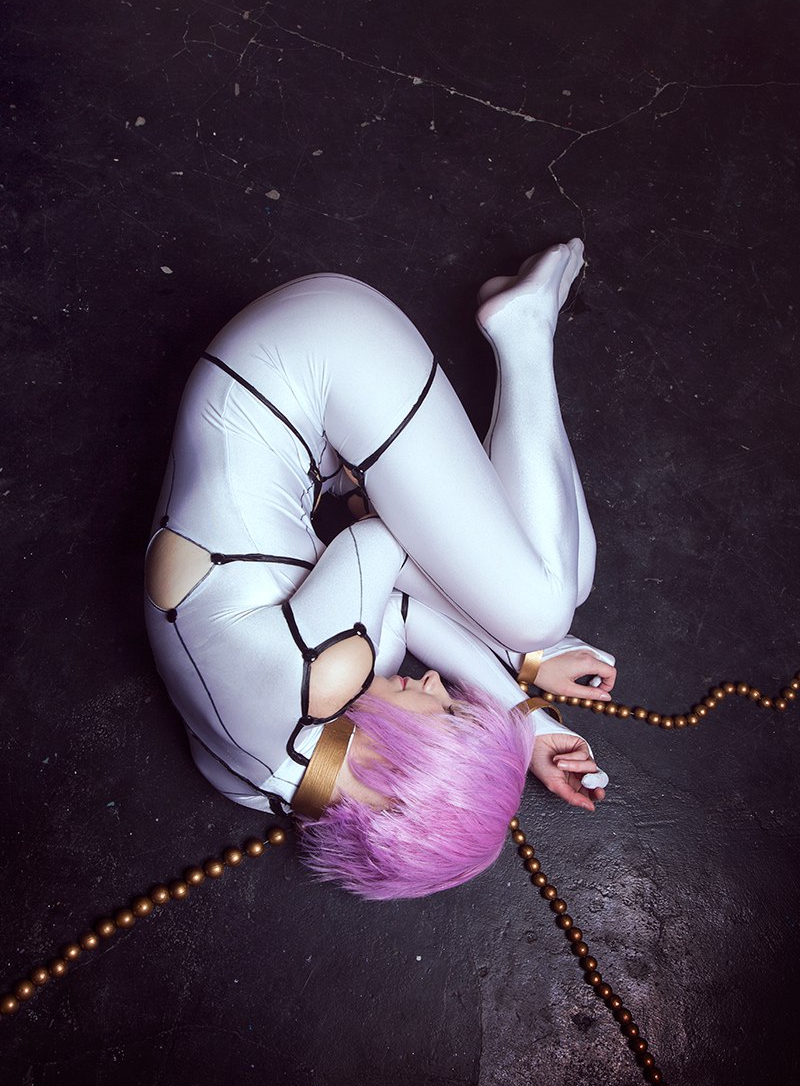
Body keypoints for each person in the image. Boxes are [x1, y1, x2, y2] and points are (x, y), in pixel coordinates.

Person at [144, 240, 617, 899]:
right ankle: (530, 627)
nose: (438, 683)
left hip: (311, 348)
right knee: (557, 586)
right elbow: (396, 611)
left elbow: (378, 540)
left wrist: (525, 648)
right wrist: (527, 709)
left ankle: (524, 331)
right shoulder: (263, 785)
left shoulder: (320, 677)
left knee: (541, 607)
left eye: (448, 714)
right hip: (318, 451)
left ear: (397, 774)